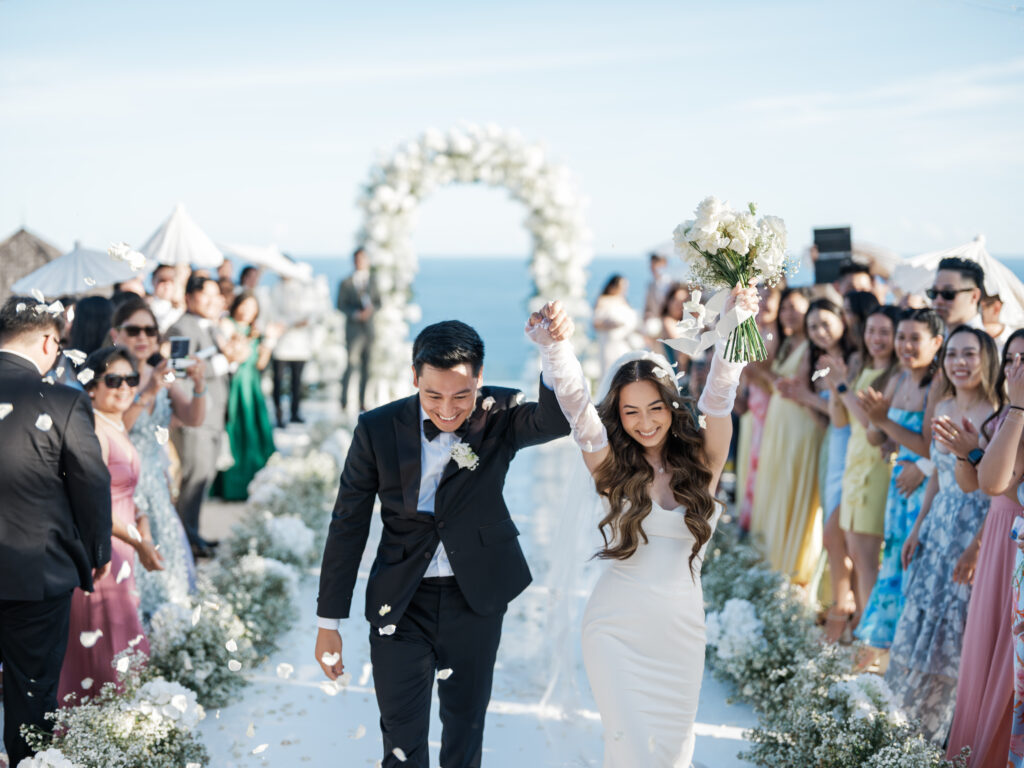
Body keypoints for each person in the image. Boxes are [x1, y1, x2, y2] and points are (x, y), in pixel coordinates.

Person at [314, 320, 570, 768]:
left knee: (465, 734)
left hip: (476, 598)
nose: (448, 410)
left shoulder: (501, 411)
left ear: (479, 377)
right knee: (400, 738)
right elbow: (347, 524)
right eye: (433, 396)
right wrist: (328, 621)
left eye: (461, 395)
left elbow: (556, 419)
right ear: (414, 377)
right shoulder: (376, 429)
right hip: (401, 600)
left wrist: (553, 352)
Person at [526, 287, 756, 767]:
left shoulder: (704, 461)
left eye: (655, 408)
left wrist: (735, 322)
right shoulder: (610, 466)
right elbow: (576, 405)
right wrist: (555, 347)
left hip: (682, 633)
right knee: (627, 748)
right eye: (630, 411)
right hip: (615, 630)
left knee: (673, 756)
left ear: (672, 405)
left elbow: (719, 397)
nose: (644, 422)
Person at [0, 296, 112, 766]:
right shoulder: (63, 400)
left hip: (35, 570)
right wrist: (96, 551)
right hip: (36, 572)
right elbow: (91, 482)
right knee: (32, 693)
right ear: (48, 341)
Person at [885, 325, 1001, 742]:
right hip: (937, 524)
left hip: (974, 527)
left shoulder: (998, 414)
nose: (960, 362)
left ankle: (938, 735)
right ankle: (898, 727)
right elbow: (936, 474)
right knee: (920, 615)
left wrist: (977, 547)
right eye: (952, 354)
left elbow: (1000, 495)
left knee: (955, 627)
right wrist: (917, 526)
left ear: (987, 358)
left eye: (970, 354)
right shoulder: (944, 405)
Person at [58, 347, 164, 702]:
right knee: (106, 645)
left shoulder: (114, 424)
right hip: (102, 550)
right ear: (91, 387)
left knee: (121, 640)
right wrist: (139, 541)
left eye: (130, 379)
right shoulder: (94, 432)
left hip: (124, 546)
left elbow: (128, 493)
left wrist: (144, 527)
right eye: (113, 380)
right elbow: (95, 503)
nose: (124, 388)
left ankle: (121, 727)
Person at [943, 329, 1024, 765]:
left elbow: (996, 481)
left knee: (1009, 665)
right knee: (985, 648)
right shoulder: (1009, 416)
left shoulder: (1016, 415)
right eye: (1011, 360)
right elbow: (976, 485)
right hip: (998, 533)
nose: (1015, 370)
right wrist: (965, 452)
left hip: (1017, 546)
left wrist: (977, 451)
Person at [854, 308, 944, 658]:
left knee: (912, 562)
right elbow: (880, 439)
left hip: (923, 484)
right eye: (901, 337)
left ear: (936, 343)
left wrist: (884, 423)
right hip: (898, 484)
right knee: (892, 559)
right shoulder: (898, 379)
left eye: (914, 338)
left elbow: (927, 444)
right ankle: (887, 652)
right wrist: (873, 420)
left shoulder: (936, 385)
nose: (905, 345)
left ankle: (908, 651)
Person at [110, 297, 203, 617]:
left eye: (150, 331)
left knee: (168, 563)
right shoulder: (110, 375)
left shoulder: (160, 372)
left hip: (156, 483)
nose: (143, 338)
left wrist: (200, 385)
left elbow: (192, 417)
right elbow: (114, 429)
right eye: (133, 330)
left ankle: (168, 626)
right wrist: (148, 390)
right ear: (116, 334)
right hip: (123, 484)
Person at [821, 305, 899, 640]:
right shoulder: (863, 368)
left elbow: (872, 423)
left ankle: (870, 640)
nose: (876, 338)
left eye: (884, 332)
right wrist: (836, 390)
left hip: (877, 469)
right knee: (852, 551)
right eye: (872, 331)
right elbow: (842, 420)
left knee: (867, 561)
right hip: (854, 465)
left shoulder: (895, 376)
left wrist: (842, 388)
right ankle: (863, 629)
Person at [751, 288, 823, 583]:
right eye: (785, 309)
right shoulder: (787, 343)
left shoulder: (811, 347)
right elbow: (765, 376)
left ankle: (792, 569)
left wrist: (771, 378)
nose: (788, 314)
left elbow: (801, 389)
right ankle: (772, 562)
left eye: (795, 308)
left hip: (800, 429)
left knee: (794, 488)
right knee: (776, 486)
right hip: (778, 426)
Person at [168, 275, 242, 556]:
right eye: (205, 296)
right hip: (194, 416)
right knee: (193, 479)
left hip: (213, 415)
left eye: (216, 296)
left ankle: (193, 533)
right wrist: (224, 362)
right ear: (189, 298)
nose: (213, 302)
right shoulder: (180, 326)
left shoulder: (212, 328)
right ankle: (185, 542)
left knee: (204, 479)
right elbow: (178, 367)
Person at [212, 291, 276, 500]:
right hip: (235, 384)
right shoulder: (227, 325)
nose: (248, 311)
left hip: (252, 385)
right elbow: (235, 356)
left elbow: (260, 363)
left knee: (256, 431)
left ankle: (258, 484)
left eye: (252, 307)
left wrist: (269, 342)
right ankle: (232, 488)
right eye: (244, 306)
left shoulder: (256, 331)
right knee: (235, 432)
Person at [736, 285, 782, 531]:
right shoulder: (756, 330)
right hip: (752, 408)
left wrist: (755, 371)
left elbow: (773, 380)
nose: (763, 303)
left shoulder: (776, 333)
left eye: (770, 297)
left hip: (770, 409)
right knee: (750, 468)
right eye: (760, 297)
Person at [268, 276, 317, 426]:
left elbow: (312, 313)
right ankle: (278, 413)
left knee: (296, 381)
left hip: (300, 346)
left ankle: (295, 413)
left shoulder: (304, 289)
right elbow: (273, 314)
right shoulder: (276, 289)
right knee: (278, 380)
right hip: (281, 344)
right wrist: (291, 323)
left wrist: (302, 322)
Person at [337, 246, 380, 413]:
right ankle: (344, 402)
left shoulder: (373, 281)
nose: (360, 262)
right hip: (353, 331)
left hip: (369, 331)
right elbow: (340, 305)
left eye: (363, 258)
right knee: (350, 365)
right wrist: (355, 314)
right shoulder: (346, 282)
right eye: (357, 259)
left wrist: (370, 311)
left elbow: (379, 302)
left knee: (367, 368)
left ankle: (363, 402)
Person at [592, 275, 641, 380]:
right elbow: (596, 323)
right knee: (609, 373)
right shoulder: (603, 300)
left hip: (625, 343)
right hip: (610, 344)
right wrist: (612, 324)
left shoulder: (623, 300)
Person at [929, 256, 984, 331]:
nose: (938, 301)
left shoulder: (972, 340)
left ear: (974, 296)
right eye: (934, 293)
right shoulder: (944, 334)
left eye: (948, 293)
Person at [148, 263, 184, 333]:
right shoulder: (147, 307)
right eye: (162, 280)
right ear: (153, 281)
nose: (167, 284)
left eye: (171, 280)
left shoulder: (182, 309)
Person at [643, 252, 671, 320]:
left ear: (664, 264)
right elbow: (647, 307)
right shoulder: (650, 285)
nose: (653, 267)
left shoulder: (670, 283)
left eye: (656, 263)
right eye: (652, 263)